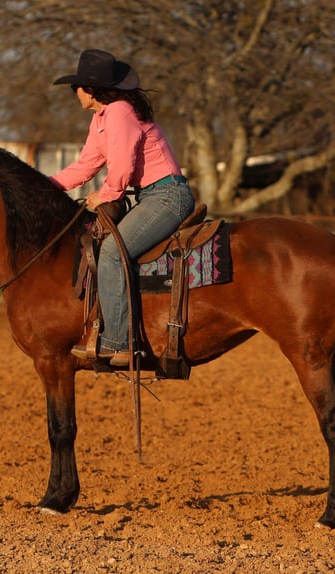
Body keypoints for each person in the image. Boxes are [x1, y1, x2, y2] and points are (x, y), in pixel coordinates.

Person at [50, 49, 195, 367]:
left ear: (88, 89)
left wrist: (107, 194)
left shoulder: (118, 112)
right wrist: (44, 186)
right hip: (153, 196)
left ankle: (120, 343)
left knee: (114, 251)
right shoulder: (101, 119)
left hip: (167, 196)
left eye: (75, 87)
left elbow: (122, 165)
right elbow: (85, 166)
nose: (74, 93)